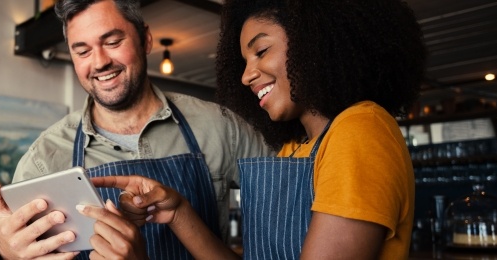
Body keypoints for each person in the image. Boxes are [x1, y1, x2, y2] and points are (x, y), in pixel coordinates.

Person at [94, 0, 426, 259]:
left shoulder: (360, 129)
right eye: (244, 61)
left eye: (261, 51)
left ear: (316, 42)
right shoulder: (295, 148)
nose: (246, 76)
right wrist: (178, 212)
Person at [0, 0, 273, 259]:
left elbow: (282, 232)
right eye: (83, 51)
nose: (100, 62)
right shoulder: (44, 157)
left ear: (145, 39)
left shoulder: (222, 127)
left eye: (112, 42)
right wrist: (5, 253)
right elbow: (19, 246)